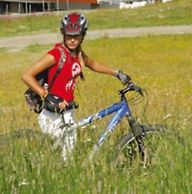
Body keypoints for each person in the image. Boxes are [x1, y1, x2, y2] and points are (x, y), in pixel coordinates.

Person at [22, 12, 131, 160]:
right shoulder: (56, 54)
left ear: (83, 35)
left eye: (76, 36)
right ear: (63, 34)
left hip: (68, 112)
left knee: (67, 159)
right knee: (52, 158)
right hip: (51, 113)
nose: (72, 40)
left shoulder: (77, 54)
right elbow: (27, 75)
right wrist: (46, 95)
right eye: (69, 35)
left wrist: (117, 73)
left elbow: (93, 64)